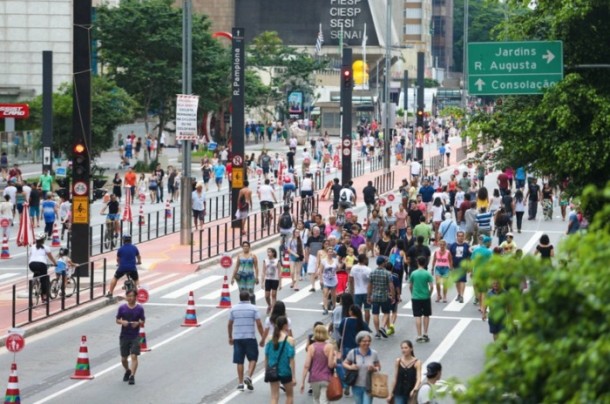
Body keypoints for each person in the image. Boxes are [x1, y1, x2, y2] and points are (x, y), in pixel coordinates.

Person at [228, 291, 265, 392]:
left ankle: (240, 383)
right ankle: (248, 376)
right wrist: (263, 337)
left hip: (238, 338)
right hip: (250, 338)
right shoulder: (253, 308)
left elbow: (230, 324)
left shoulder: (233, 309)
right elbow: (259, 324)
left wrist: (230, 337)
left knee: (239, 361)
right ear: (249, 298)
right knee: (253, 358)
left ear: (240, 298)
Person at [116, 288, 145, 385]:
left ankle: (132, 375)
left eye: (132, 296)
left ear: (136, 297)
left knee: (134, 356)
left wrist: (138, 323)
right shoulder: (122, 308)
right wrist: (122, 322)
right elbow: (117, 320)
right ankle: (127, 370)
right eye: (128, 296)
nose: (130, 298)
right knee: (124, 358)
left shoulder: (140, 308)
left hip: (135, 336)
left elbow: (143, 321)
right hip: (124, 336)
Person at [342, 331, 381, 404]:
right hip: (356, 385)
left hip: (369, 385)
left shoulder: (374, 353)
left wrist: (374, 368)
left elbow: (378, 366)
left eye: (369, 341)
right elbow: (344, 363)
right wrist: (351, 367)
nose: (367, 343)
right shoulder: (353, 352)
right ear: (359, 342)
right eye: (364, 341)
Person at [264, 316, 296, 403]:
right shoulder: (290, 340)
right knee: (289, 396)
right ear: (285, 326)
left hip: (272, 369)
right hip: (285, 370)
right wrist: (293, 376)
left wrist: (266, 370)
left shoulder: (270, 339)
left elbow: (266, 356)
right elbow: (292, 360)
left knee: (274, 397)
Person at [300, 324, 336, 403]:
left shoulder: (311, 347)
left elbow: (306, 366)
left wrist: (302, 382)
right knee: (324, 400)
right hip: (326, 377)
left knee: (316, 399)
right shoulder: (330, 346)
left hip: (314, 378)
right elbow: (330, 365)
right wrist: (335, 360)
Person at [367, 256, 395, 339]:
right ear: (383, 263)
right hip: (384, 296)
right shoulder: (388, 273)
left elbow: (369, 286)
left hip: (374, 296)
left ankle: (377, 332)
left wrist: (368, 296)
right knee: (386, 312)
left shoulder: (372, 273)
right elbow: (391, 286)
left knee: (375, 314)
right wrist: (393, 296)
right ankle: (382, 327)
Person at [388, 340, 421, 404]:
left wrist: (414, 389)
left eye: (406, 348)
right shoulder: (398, 361)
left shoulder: (417, 362)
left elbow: (419, 378)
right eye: (402, 348)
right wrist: (390, 393)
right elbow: (395, 378)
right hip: (399, 391)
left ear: (411, 349)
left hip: (410, 391)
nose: (403, 350)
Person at [409, 256, 434, 343]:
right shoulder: (427, 274)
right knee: (426, 315)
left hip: (415, 297)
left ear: (417, 262)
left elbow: (410, 285)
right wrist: (429, 294)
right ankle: (425, 334)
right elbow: (431, 286)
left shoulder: (413, 273)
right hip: (425, 297)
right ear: (425, 263)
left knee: (417, 316)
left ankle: (419, 335)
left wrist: (412, 293)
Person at [29, 232, 57, 302]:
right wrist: (55, 263)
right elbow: (51, 257)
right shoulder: (46, 247)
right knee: (44, 279)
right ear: (43, 240)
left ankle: (34, 282)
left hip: (32, 264)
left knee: (36, 272)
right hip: (42, 264)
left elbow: (31, 255)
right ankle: (44, 295)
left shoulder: (32, 247)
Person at [450, 231, 472, 303]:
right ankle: (459, 294)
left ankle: (462, 296)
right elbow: (450, 256)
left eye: (462, 236)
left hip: (463, 266)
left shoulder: (466, 246)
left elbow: (469, 257)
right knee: (457, 281)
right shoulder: (453, 245)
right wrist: (451, 266)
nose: (460, 237)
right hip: (455, 266)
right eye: (459, 236)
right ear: (457, 237)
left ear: (464, 237)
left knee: (462, 280)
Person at [318, 245, 339, 315]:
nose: (330, 253)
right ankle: (326, 308)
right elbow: (320, 271)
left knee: (334, 295)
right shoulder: (323, 261)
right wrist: (321, 280)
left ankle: (334, 307)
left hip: (333, 280)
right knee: (325, 294)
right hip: (326, 280)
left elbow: (337, 268)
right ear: (327, 253)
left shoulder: (335, 260)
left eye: (331, 252)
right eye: (329, 252)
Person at [305, 226, 325, 292]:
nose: (316, 232)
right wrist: (307, 257)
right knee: (312, 271)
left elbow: (325, 247)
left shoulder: (322, 238)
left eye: (318, 230)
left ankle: (322, 283)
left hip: (321, 256)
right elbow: (307, 248)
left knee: (321, 271)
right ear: (313, 231)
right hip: (312, 256)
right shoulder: (310, 238)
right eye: (315, 230)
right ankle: (313, 286)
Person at [261, 248, 282, 314]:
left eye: (270, 252)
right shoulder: (265, 261)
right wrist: (262, 282)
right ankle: (269, 305)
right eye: (268, 252)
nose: (268, 253)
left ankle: (273, 309)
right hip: (268, 279)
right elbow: (263, 272)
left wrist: (280, 283)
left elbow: (279, 272)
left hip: (275, 279)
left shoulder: (277, 261)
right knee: (267, 296)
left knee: (273, 295)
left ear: (273, 253)